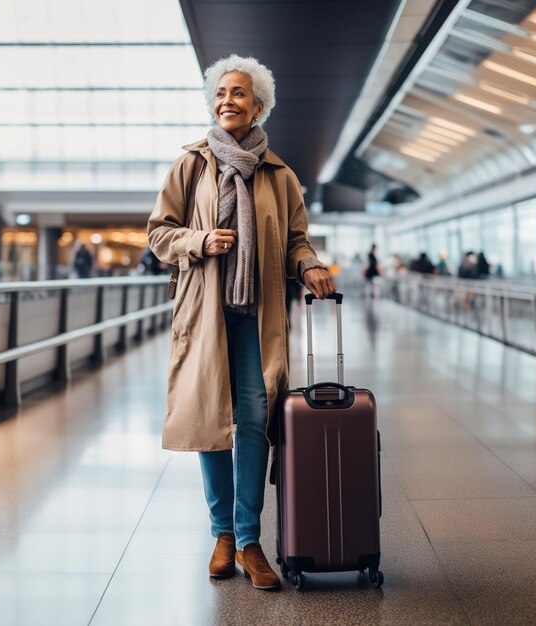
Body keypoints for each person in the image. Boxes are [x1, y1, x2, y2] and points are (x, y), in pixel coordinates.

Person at [147, 54, 335, 591]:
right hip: (205, 312)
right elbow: (159, 233)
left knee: (253, 421)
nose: (227, 101)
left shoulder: (280, 175)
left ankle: (250, 540)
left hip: (257, 316)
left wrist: (310, 264)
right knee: (211, 420)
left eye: (238, 94)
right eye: (220, 93)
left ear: (258, 106)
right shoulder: (191, 164)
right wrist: (199, 241)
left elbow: (295, 241)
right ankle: (222, 533)